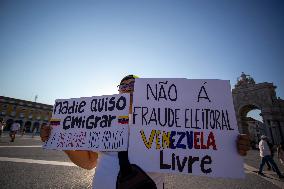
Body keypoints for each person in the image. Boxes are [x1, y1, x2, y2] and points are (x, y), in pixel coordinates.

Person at [41, 75, 251, 189]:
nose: (128, 87)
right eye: (123, 86)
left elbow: (201, 144)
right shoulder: (102, 120)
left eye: (134, 84)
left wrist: (229, 146)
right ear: (118, 92)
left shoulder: (168, 121)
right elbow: (88, 162)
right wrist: (61, 140)